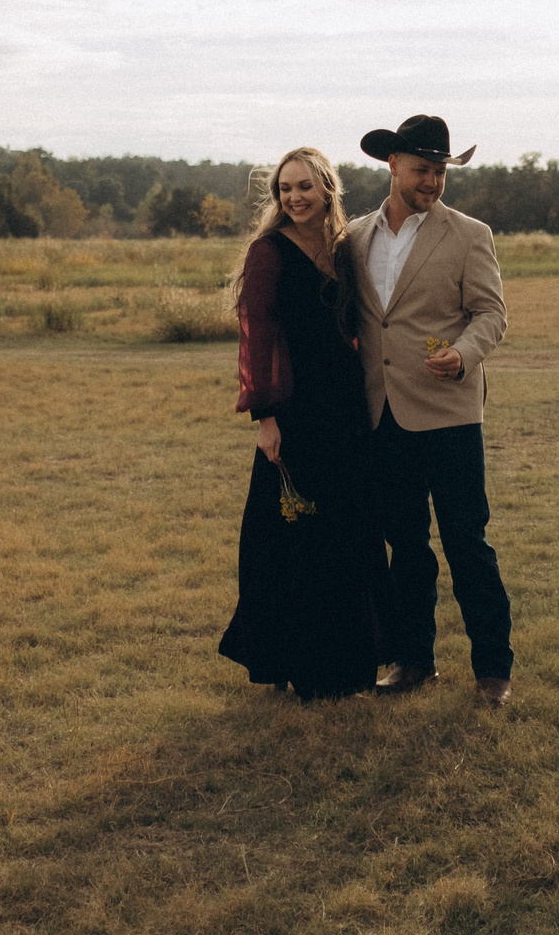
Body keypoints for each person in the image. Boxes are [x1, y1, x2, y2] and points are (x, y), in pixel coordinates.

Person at [346, 114, 515, 705]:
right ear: (392, 166)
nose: (434, 182)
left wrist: (464, 355)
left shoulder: (470, 234)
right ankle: (413, 661)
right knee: (406, 547)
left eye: (441, 171)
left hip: (450, 414)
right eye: (423, 170)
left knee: (468, 543)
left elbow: (491, 314)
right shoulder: (354, 236)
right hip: (382, 416)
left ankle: (493, 670)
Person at [217, 147, 385, 700]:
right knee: (296, 538)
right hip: (294, 412)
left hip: (345, 407)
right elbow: (256, 334)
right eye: (285, 189)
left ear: (327, 189)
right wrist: (265, 418)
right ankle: (303, 664)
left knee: (348, 529)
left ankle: (350, 662)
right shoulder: (268, 252)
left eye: (305, 186)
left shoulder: (344, 249)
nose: (295, 197)